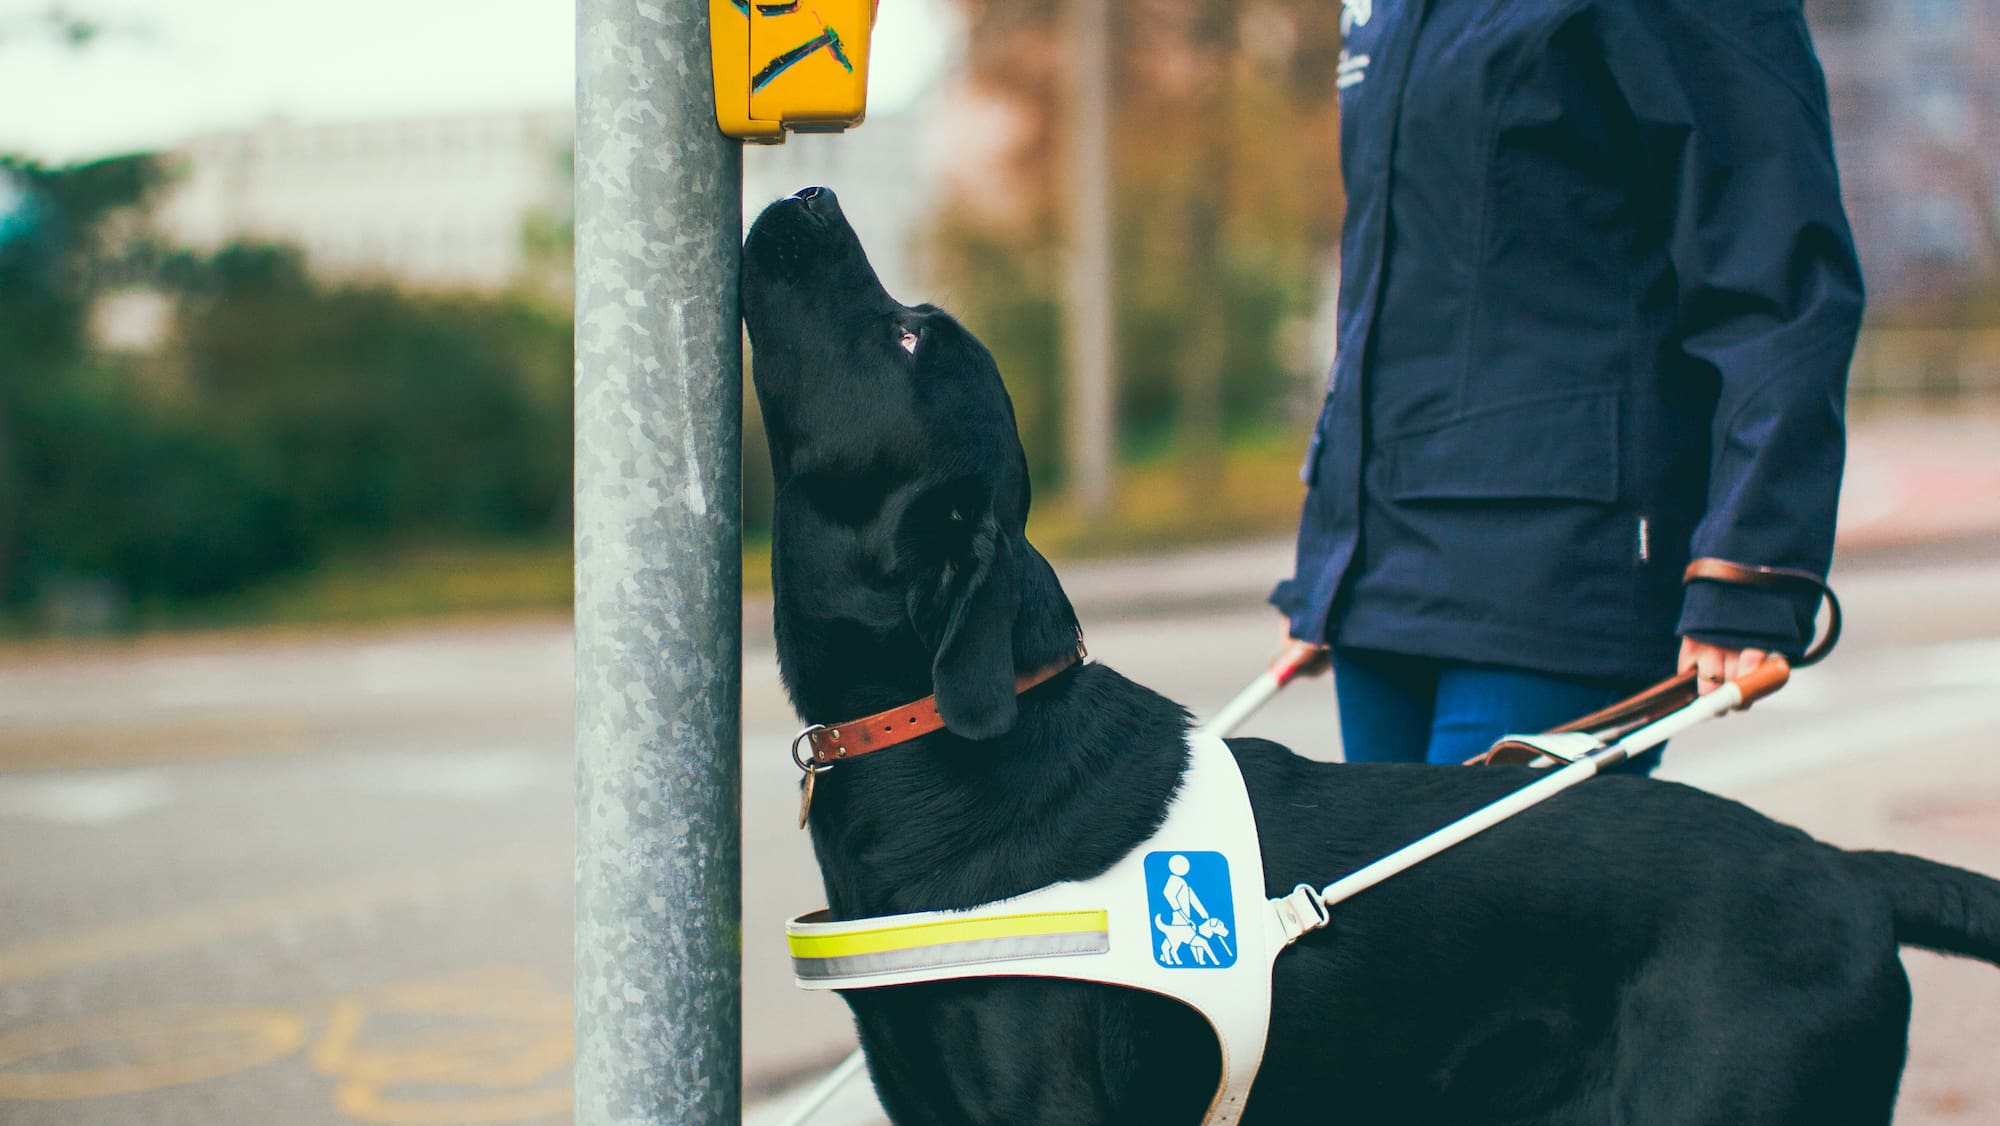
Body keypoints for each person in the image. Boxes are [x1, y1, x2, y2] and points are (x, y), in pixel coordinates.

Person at [1270, 0, 1862, 767]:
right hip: (1383, 584)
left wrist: (1750, 563)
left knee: (1495, 890)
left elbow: (1779, 272)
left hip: (1563, 569)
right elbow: (1390, 285)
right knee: (1374, 893)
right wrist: (1332, 566)